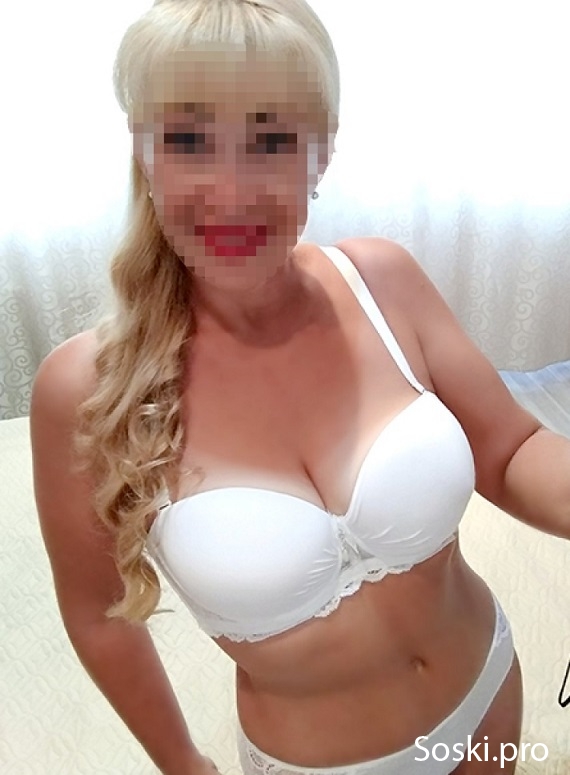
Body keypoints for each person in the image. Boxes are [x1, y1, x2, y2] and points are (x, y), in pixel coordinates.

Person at [30, 1, 570, 774]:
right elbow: (97, 612)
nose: (231, 193)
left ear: (321, 151)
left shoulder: (383, 281)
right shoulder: (85, 388)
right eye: (187, 141)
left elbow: (512, 449)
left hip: (487, 691)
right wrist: (181, 760)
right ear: (144, 153)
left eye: (272, 140)